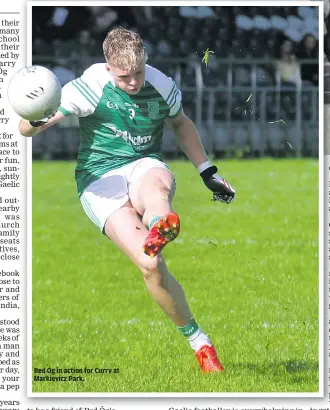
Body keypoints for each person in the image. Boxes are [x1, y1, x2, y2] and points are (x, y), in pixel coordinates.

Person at [19, 27, 235, 373]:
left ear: (144, 60)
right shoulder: (89, 86)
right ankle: (200, 343)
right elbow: (33, 126)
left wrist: (207, 171)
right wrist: (32, 120)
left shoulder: (160, 84)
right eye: (124, 76)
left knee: (157, 188)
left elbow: (180, 124)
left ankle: (160, 223)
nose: (133, 82)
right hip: (100, 179)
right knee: (150, 266)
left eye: (137, 72)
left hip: (143, 164)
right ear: (107, 67)